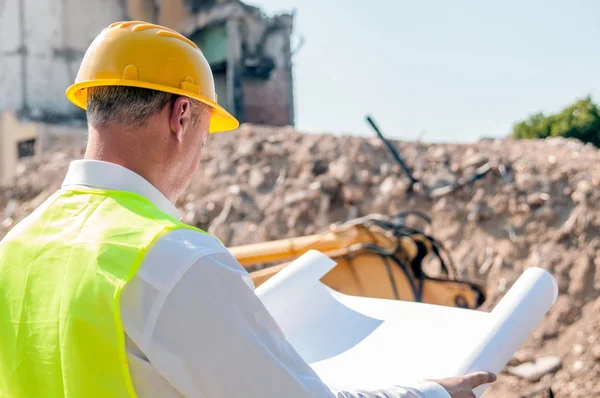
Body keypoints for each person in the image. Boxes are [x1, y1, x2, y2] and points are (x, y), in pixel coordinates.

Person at [0, 21, 495, 398]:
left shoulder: (14, 250)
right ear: (182, 116)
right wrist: (430, 393)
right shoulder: (173, 261)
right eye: (204, 133)